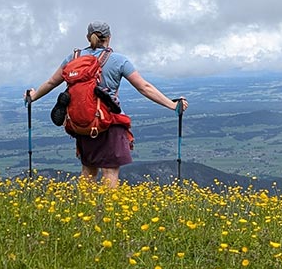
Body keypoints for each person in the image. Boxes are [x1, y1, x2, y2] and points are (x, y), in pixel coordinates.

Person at [25, 21, 186, 188]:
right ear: (109, 38)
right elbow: (144, 87)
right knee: (109, 172)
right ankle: (109, 212)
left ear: (88, 37)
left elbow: (52, 82)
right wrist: (172, 105)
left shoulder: (73, 59)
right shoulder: (118, 60)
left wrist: (33, 96)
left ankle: (84, 210)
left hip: (83, 123)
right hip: (110, 122)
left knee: (88, 170)